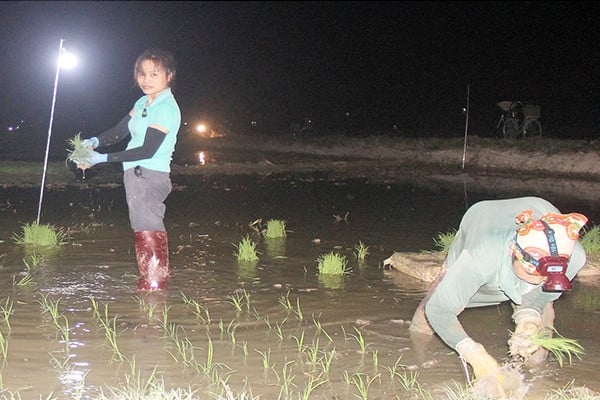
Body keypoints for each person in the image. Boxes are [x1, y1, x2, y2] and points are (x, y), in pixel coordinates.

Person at [409, 196, 587, 397]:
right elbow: (439, 309)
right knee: (428, 314)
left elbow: (541, 295)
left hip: (539, 210)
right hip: (480, 219)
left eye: (547, 277)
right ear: (514, 252)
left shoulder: (574, 257)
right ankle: (418, 356)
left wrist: (529, 317)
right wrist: (473, 353)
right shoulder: (480, 256)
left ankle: (537, 384)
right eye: (531, 275)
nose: (537, 282)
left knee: (536, 342)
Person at [80, 48, 181, 291]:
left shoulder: (166, 108)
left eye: (154, 74)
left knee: (148, 225)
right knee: (141, 224)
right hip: (135, 174)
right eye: (142, 73)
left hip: (149, 174)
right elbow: (119, 131)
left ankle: (154, 285)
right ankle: (151, 281)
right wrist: (95, 141)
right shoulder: (143, 101)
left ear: (169, 76)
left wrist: (102, 158)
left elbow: (146, 150)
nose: (146, 79)